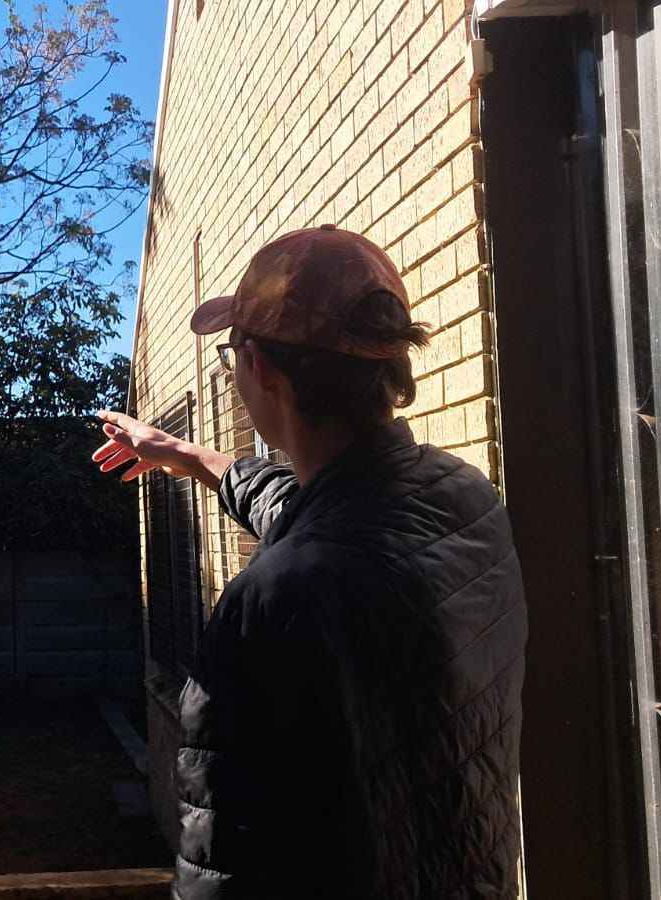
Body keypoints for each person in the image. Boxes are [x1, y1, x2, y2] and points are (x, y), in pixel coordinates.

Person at [93, 226, 526, 899]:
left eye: (233, 354)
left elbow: (224, 869)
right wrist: (186, 455)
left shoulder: (275, 601)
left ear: (260, 367)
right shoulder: (462, 499)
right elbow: (302, 511)